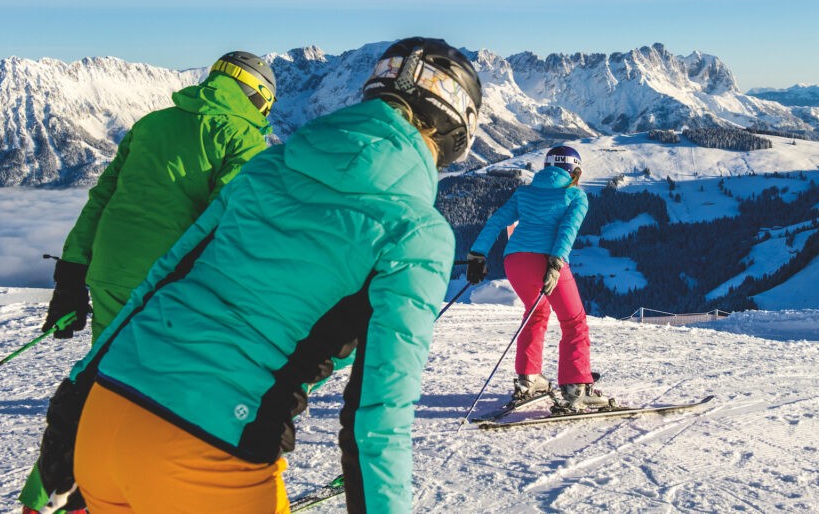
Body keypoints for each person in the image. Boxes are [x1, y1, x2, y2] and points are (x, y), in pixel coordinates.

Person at [31, 37, 482, 514]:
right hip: (206, 452)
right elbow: (378, 420)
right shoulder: (417, 232)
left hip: (105, 417)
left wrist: (67, 414)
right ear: (460, 127)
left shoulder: (269, 166)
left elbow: (161, 281)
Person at [21, 50, 277, 513]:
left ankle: (59, 497)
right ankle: (122, 496)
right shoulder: (243, 139)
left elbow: (101, 199)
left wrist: (72, 276)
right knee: (157, 399)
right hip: (168, 284)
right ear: (258, 99)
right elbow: (231, 228)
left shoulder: (152, 123)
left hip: (108, 270)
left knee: (103, 379)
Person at [467, 145, 608, 410]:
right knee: (574, 321)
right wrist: (555, 264)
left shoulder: (525, 192)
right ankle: (576, 388)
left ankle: (528, 379)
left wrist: (478, 254)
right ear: (575, 170)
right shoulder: (575, 196)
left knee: (535, 314)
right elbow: (568, 230)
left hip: (515, 261)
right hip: (547, 260)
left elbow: (496, 221)